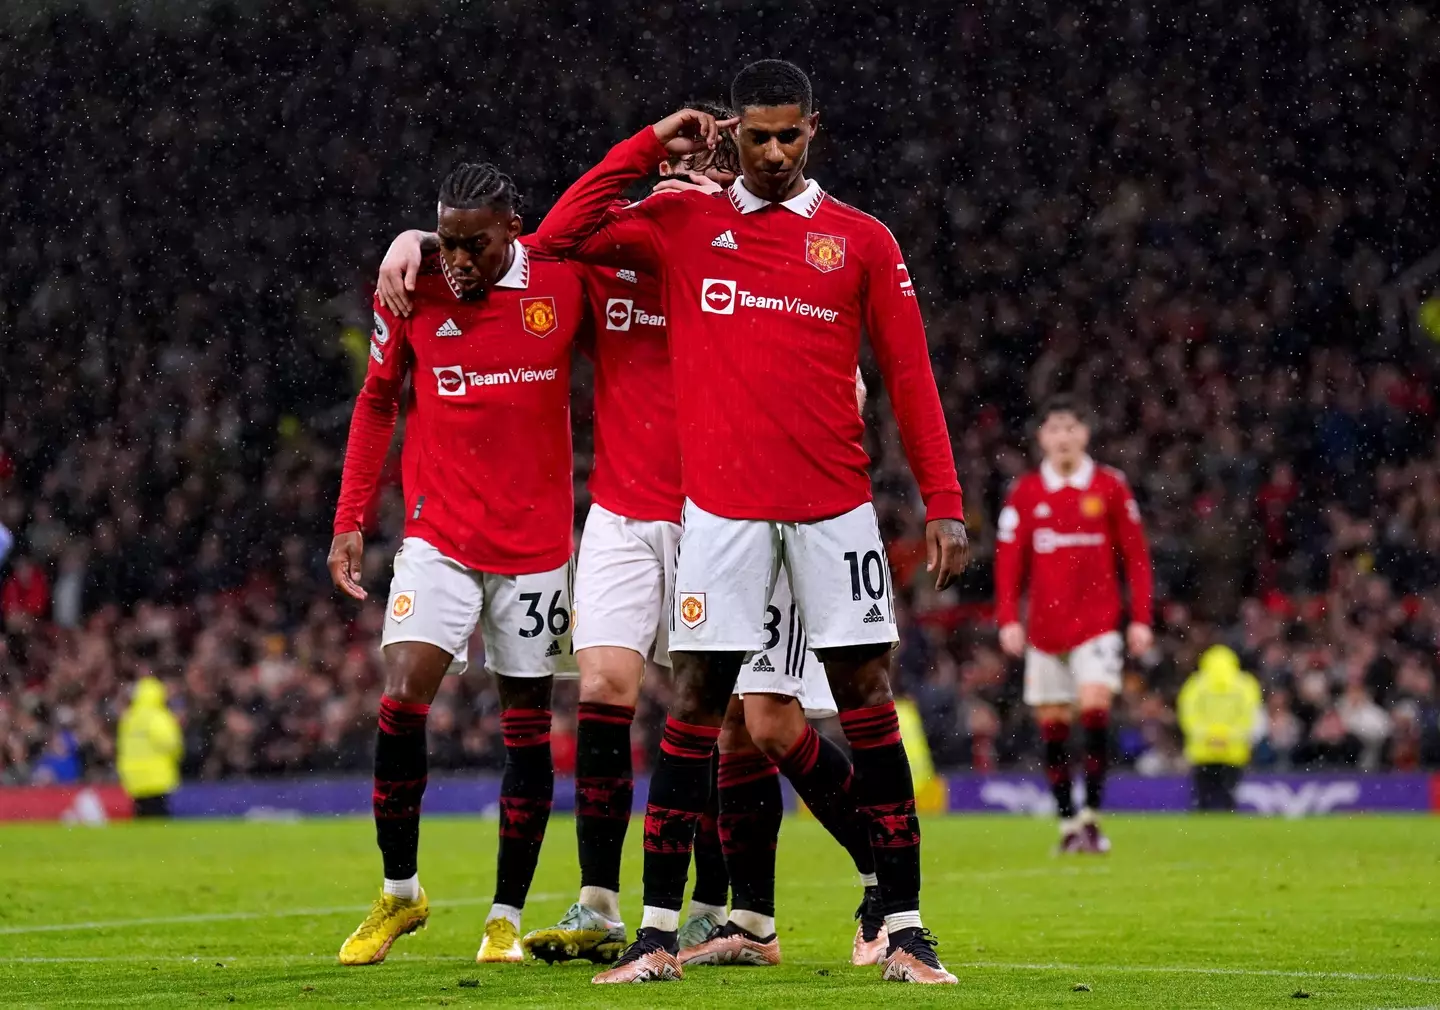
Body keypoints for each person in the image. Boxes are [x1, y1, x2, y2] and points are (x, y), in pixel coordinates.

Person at [374, 107, 886, 970]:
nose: (680, 192)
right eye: (669, 182)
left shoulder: (737, 263)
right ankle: (603, 906)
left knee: (754, 724)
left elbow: (829, 352)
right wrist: (418, 236)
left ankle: (828, 885)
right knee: (605, 688)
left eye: (700, 181)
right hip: (621, 511)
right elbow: (526, 243)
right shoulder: (601, 267)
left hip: (729, 512)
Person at [533, 60, 969, 985]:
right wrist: (650, 145)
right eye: (757, 137)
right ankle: (656, 936)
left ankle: (906, 928)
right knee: (695, 712)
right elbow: (560, 234)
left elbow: (912, 375)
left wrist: (946, 504)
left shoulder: (859, 239)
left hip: (835, 516)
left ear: (815, 129)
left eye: (790, 136)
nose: (774, 154)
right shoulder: (685, 223)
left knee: (867, 710)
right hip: (720, 520)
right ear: (732, 134)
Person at [331, 163, 588, 967]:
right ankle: (400, 894)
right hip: (437, 532)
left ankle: (505, 917)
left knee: (527, 733)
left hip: (537, 546)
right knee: (403, 696)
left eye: (475, 245)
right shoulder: (412, 288)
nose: (459, 262)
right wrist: (349, 520)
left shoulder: (562, 284)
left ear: (513, 226)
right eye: (446, 243)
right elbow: (377, 401)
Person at [995, 396, 1153, 853]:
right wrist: (1008, 619)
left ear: (1085, 434)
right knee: (1054, 725)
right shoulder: (1025, 492)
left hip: (1098, 623)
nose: (1063, 437)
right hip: (1044, 628)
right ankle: (1067, 823)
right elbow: (1009, 562)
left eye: (1071, 427)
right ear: (1042, 437)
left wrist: (1140, 619)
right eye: (1054, 428)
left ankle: (1091, 817)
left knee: (1096, 707)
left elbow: (1137, 558)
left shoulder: (1109, 487)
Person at [1177, 645, 1264, 811]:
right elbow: (1250, 716)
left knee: (1202, 798)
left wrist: (1209, 736)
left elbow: (1188, 716)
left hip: (1202, 751)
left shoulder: (1195, 684)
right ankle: (1229, 832)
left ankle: (1200, 832)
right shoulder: (1245, 684)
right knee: (1228, 799)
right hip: (1233, 751)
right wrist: (1229, 736)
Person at [116, 676, 182, 817]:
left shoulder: (129, 718)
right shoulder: (159, 716)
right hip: (156, 777)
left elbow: (122, 747)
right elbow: (170, 744)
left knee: (142, 818)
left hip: (134, 777)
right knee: (158, 820)